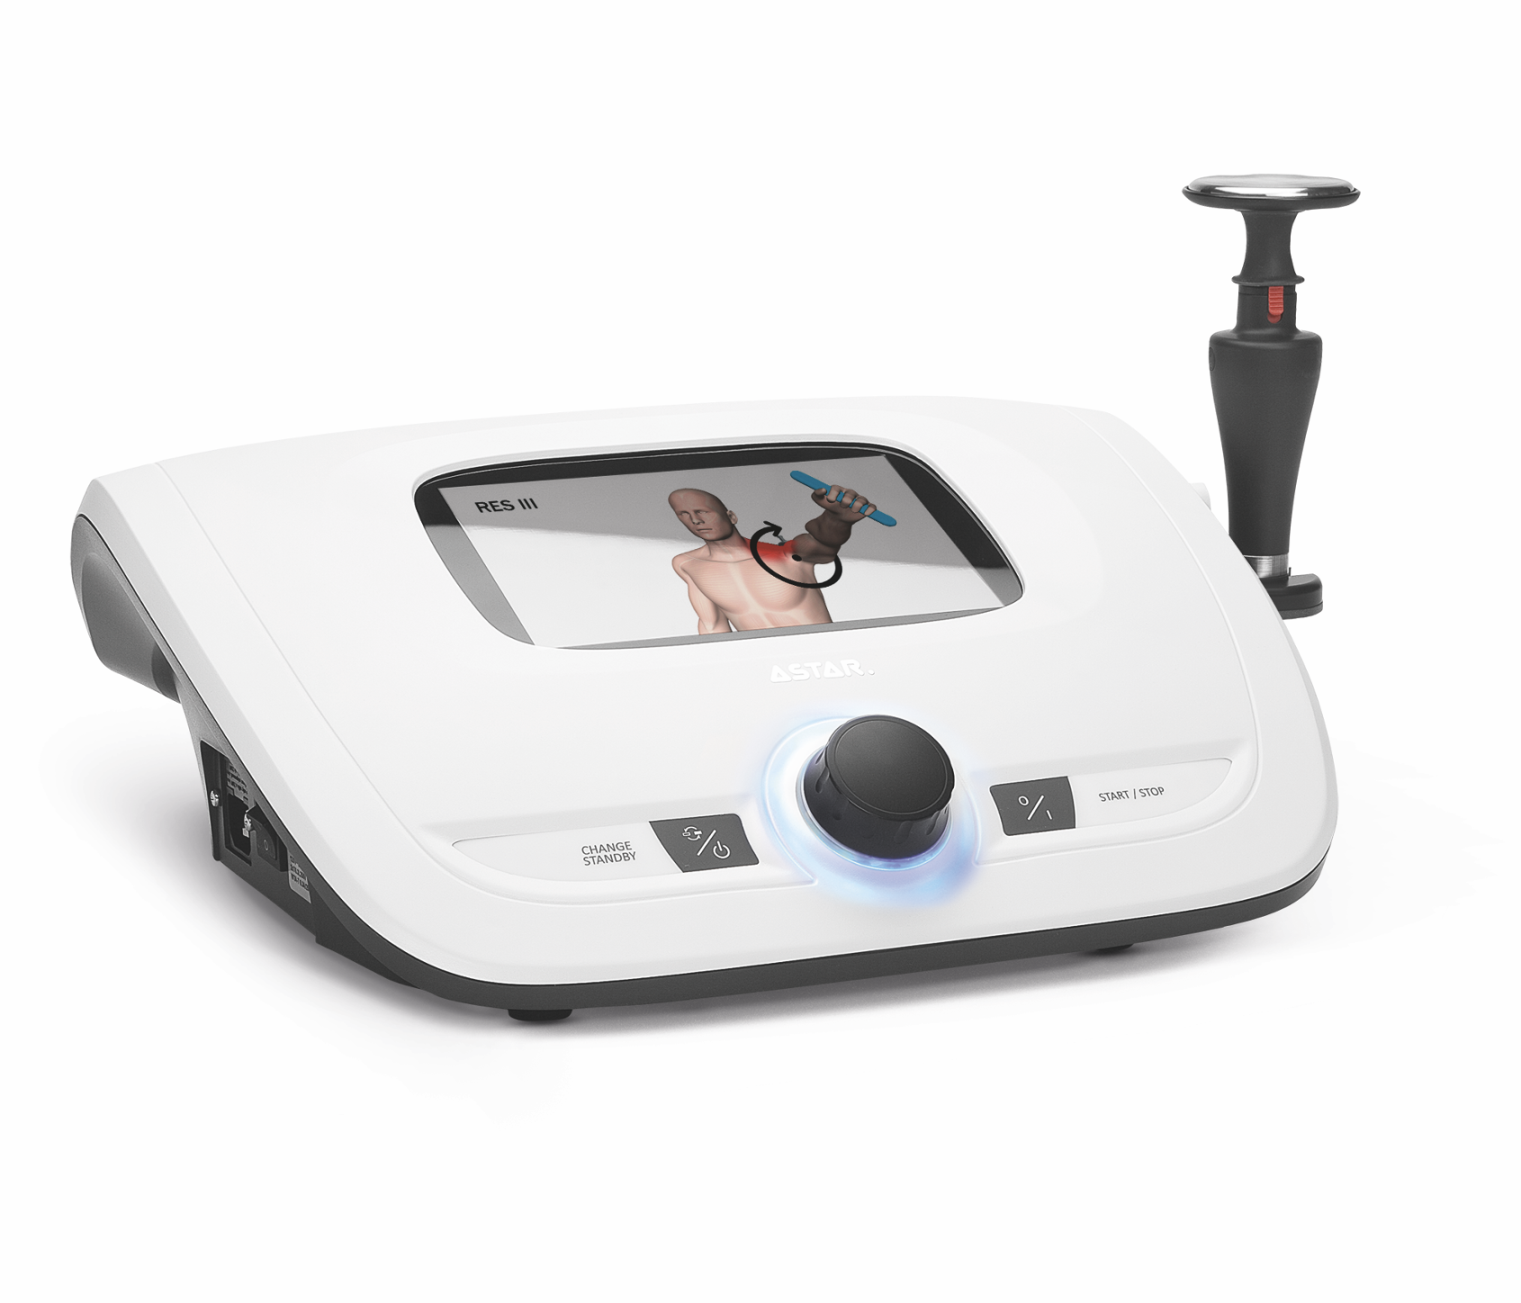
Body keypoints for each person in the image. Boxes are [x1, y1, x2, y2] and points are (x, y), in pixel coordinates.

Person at [669, 482, 877, 634]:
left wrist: (837, 520)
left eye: (703, 511)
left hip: (821, 658)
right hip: (760, 666)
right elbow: (712, 625)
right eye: (683, 514)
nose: (695, 520)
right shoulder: (687, 564)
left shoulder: (785, 556)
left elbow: (821, 543)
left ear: (731, 516)